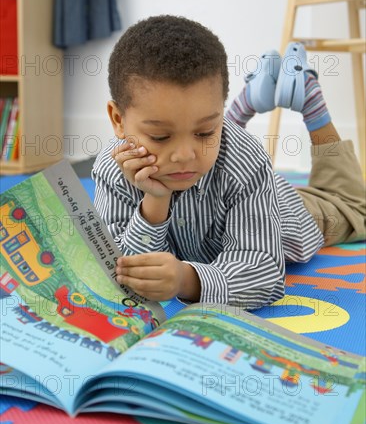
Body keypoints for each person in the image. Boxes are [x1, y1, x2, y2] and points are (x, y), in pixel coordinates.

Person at [92, 15, 365, 310]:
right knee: (217, 154)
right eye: (160, 136)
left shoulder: (246, 161)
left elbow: (263, 273)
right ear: (118, 120)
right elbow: (121, 270)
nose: (184, 155)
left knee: (354, 207)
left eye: (205, 130)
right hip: (228, 193)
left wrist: (186, 280)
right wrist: (155, 203)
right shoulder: (111, 170)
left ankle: (310, 100)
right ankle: (242, 106)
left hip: (286, 214)